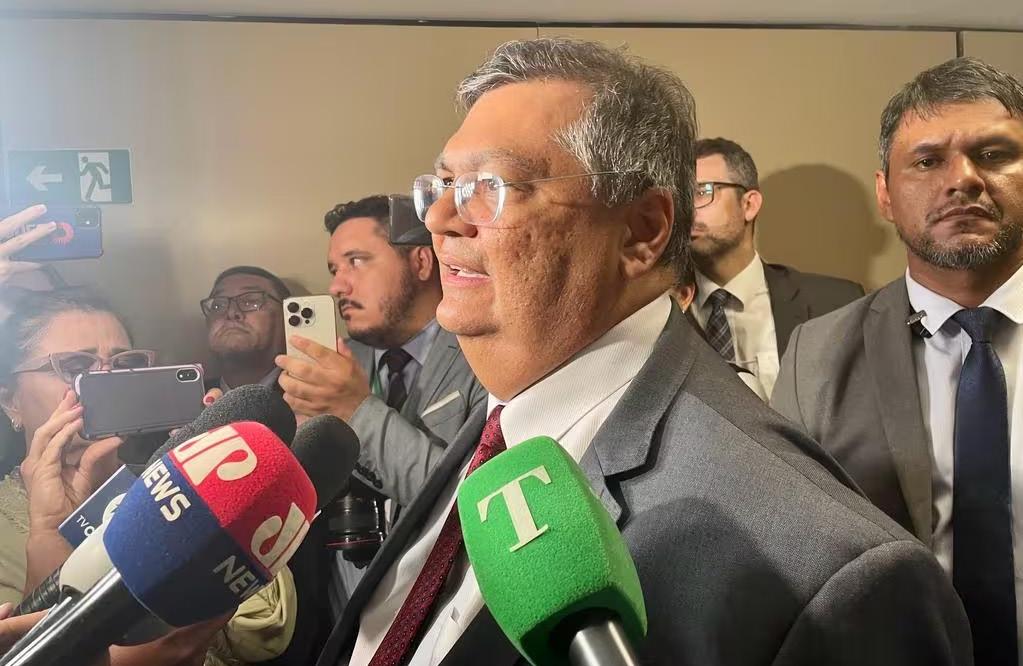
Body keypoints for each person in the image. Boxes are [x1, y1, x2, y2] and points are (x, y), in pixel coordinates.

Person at [313, 38, 970, 666]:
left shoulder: (831, 578)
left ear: (642, 230)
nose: (439, 220)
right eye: (444, 184)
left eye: (493, 185)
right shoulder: (499, 428)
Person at [772, 56, 1023, 665]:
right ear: (885, 194)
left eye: (993, 154)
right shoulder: (814, 356)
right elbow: (790, 552)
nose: (963, 180)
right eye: (928, 161)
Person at [0, 288, 297, 666]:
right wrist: (50, 537)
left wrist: (213, 477)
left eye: (124, 364)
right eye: (76, 367)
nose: (108, 381)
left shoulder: (169, 482)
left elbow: (266, 626)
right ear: (10, 401)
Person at [272, 195, 485, 664]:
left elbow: (472, 507)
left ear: (422, 261)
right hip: (341, 634)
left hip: (442, 630)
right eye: (333, 269)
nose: (337, 286)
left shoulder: (482, 355)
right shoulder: (338, 364)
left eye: (357, 261)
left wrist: (356, 411)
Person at [690, 138, 864, 397]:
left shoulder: (836, 304)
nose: (687, 209)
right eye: (680, 196)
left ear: (749, 205)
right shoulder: (657, 311)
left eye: (702, 192)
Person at [201, 265, 290, 392]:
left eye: (250, 301)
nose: (231, 312)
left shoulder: (313, 395)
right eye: (218, 305)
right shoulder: (185, 397)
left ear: (286, 316)